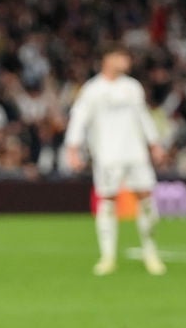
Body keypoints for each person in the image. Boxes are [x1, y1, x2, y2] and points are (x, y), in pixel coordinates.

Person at [64, 42, 166, 276]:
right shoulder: (93, 90)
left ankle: (150, 252)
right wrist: (73, 149)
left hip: (135, 154)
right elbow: (79, 119)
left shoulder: (132, 87)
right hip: (108, 156)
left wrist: (154, 144)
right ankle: (107, 256)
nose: (126, 62)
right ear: (107, 59)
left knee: (147, 201)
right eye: (121, 57)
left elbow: (143, 117)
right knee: (108, 203)